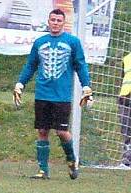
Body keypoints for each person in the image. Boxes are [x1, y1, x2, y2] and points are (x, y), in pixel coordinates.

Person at [13, 8, 92, 180]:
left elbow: (81, 65)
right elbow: (31, 65)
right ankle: (43, 170)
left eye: (59, 20)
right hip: (42, 94)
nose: (55, 23)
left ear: (64, 23)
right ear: (48, 22)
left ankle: (72, 160)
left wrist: (86, 86)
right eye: (53, 20)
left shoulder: (73, 42)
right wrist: (20, 83)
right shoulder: (40, 42)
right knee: (42, 130)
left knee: (62, 132)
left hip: (62, 96)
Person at [118, 50, 131, 167]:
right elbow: (123, 78)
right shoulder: (126, 59)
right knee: (126, 131)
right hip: (125, 98)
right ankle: (126, 160)